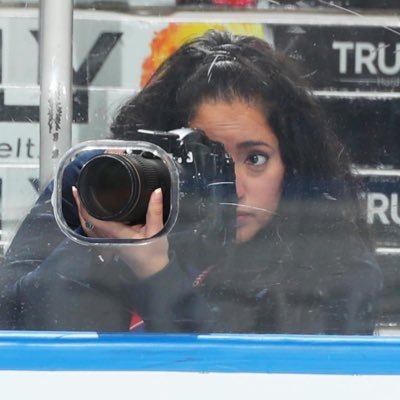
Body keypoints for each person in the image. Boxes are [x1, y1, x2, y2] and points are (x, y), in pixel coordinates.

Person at [0, 30, 382, 333]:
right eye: (209, 159)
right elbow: (16, 332)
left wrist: (155, 273)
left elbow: (244, 380)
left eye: (255, 159)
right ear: (161, 153)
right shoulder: (102, 189)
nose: (235, 186)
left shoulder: (332, 267)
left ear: (293, 164)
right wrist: (98, 244)